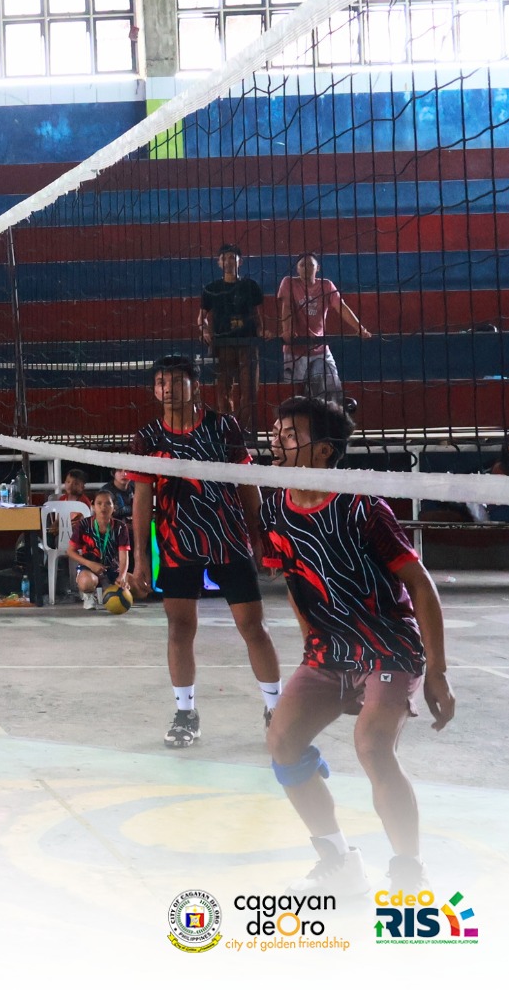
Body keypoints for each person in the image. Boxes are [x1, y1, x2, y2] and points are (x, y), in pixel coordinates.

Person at [262, 395, 454, 898]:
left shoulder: (362, 506)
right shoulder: (273, 508)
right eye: (275, 431)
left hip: (388, 645)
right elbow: (293, 581)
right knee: (282, 741)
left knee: (372, 745)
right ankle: (338, 860)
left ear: (324, 451)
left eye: (289, 433)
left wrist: (437, 672)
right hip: (329, 650)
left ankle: (409, 871)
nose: (276, 440)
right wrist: (313, 650)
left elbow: (421, 584)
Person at [130, 354, 283, 748]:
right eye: (161, 381)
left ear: (194, 386)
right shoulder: (148, 437)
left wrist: (260, 535)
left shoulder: (223, 427)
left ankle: (276, 709)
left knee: (253, 627)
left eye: (176, 381)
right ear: (155, 389)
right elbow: (142, 499)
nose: (167, 388)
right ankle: (185, 713)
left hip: (228, 539)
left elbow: (247, 483)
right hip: (177, 544)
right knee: (180, 629)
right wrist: (142, 561)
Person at [278, 253, 371, 411]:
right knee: (298, 395)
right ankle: (302, 427)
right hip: (295, 348)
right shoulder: (288, 283)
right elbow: (286, 306)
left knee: (330, 390)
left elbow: (341, 307)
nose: (306, 268)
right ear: (297, 268)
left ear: (318, 268)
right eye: (302, 265)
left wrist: (360, 328)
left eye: (310, 265)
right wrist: (287, 330)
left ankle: (328, 426)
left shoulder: (326, 286)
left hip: (319, 347)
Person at [199, 245, 266, 431]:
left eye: (232, 257)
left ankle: (243, 431)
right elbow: (202, 317)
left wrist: (261, 330)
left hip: (248, 343)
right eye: (224, 258)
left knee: (250, 391)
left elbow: (257, 314)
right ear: (219, 263)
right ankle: (229, 432)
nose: (228, 261)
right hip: (223, 345)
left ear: (240, 261)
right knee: (223, 392)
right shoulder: (211, 288)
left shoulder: (250, 285)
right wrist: (205, 331)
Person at [70, 490, 131, 611]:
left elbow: (124, 555)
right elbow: (70, 551)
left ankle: (108, 588)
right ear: (93, 506)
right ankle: (88, 595)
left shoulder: (120, 527)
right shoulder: (83, 525)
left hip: (112, 567)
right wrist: (89, 564)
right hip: (89, 567)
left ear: (114, 507)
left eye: (108, 503)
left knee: (140, 588)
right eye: (99, 503)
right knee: (87, 582)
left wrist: (122, 576)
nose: (103, 507)